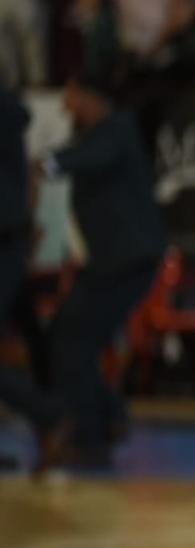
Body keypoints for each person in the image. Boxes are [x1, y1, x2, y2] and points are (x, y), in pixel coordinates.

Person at [30, 70, 166, 465]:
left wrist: (43, 165)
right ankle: (109, 418)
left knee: (73, 341)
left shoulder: (115, 130)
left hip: (126, 262)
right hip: (109, 262)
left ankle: (90, 437)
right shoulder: (103, 132)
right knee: (67, 336)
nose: (64, 105)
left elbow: (88, 160)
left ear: (92, 99)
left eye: (70, 96)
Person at [0, 84, 66, 475]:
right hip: (12, 238)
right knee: (35, 336)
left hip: (6, 240)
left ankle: (50, 414)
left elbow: (16, 115)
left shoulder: (6, 111)